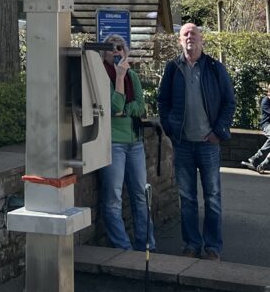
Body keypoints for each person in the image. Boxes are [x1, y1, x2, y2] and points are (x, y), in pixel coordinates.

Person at [158, 22, 236, 260]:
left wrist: (218, 131)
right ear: (180, 41)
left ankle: (213, 247)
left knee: (212, 196)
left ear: (202, 39)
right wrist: (170, 129)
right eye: (185, 34)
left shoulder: (214, 68)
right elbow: (163, 102)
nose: (190, 37)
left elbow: (228, 102)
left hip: (208, 144)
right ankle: (191, 244)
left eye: (193, 34)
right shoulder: (173, 68)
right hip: (183, 144)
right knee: (188, 197)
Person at [97, 34, 155, 252]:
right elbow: (113, 107)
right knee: (113, 197)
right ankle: (123, 248)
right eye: (111, 48)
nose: (116, 51)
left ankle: (147, 244)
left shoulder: (133, 76)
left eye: (120, 48)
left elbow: (140, 107)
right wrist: (119, 78)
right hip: (114, 143)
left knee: (140, 194)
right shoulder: (101, 75)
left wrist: (125, 110)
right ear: (104, 53)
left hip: (135, 141)